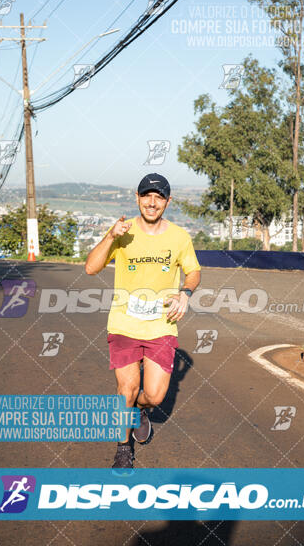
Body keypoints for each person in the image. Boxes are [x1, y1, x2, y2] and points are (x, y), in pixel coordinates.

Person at [85, 173, 201, 469]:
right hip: (124, 324)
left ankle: (139, 410)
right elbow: (90, 268)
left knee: (154, 395)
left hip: (161, 326)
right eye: (146, 196)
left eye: (158, 196)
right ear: (137, 198)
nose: (152, 202)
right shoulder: (122, 232)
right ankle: (123, 450)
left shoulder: (179, 237)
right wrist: (110, 236)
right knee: (126, 388)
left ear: (167, 201)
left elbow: (193, 272)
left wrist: (185, 293)